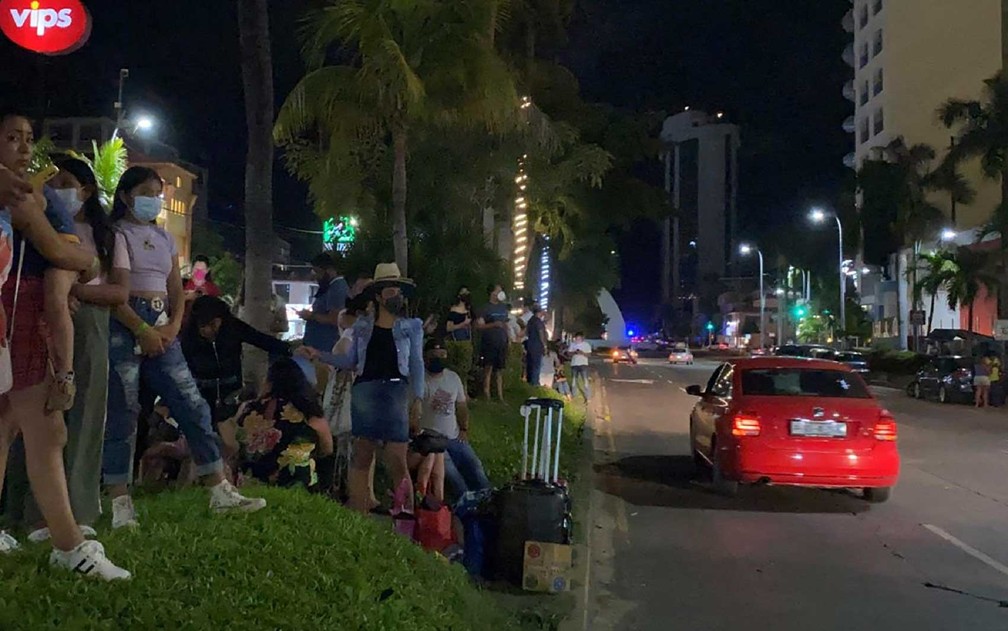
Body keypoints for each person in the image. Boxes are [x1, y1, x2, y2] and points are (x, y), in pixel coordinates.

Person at [0, 107, 129, 579]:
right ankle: (69, 545)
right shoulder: (21, 195)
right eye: (12, 137)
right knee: (38, 431)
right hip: (9, 317)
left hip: (21, 318)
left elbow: (82, 259)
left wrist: (42, 229)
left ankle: (68, 543)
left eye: (28, 137)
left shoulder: (40, 196)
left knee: (40, 429)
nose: (24, 147)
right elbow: (64, 254)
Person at [103, 166, 266, 531]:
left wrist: (174, 324)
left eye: (158, 193)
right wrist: (141, 328)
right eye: (147, 192)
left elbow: (175, 284)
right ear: (126, 196)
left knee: (191, 403)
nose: (155, 200)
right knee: (123, 411)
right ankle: (119, 500)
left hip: (163, 323)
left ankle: (218, 487)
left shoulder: (163, 238)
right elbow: (115, 293)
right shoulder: (115, 234)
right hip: (127, 322)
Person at [310, 263, 424, 513]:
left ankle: (405, 518)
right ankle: (358, 512)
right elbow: (350, 362)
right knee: (362, 455)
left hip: (395, 391)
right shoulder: (362, 327)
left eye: (398, 290)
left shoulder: (412, 326)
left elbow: (417, 363)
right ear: (379, 294)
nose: (396, 295)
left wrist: (418, 399)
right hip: (365, 391)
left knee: (396, 457)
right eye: (391, 289)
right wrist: (319, 355)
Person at [219, 357, 335, 489]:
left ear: (269, 382)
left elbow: (233, 441)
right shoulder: (310, 412)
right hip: (297, 484)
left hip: (251, 482)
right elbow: (327, 449)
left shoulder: (247, 409)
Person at [181, 295, 293, 424]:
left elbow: (259, 339)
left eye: (213, 324)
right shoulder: (188, 336)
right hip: (202, 393)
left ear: (221, 319)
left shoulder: (232, 326)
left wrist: (289, 350)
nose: (208, 330)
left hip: (232, 391)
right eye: (203, 326)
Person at [416, 343, 489, 502]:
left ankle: (487, 500)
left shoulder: (453, 378)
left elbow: (461, 406)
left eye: (442, 355)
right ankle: (466, 505)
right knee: (453, 477)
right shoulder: (419, 381)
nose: (439, 359)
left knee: (475, 466)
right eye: (434, 355)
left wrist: (464, 428)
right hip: (433, 440)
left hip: (455, 436)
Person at [298, 252, 349, 353]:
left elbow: (335, 319)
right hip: (319, 348)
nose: (315, 276)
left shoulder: (337, 288)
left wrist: (311, 316)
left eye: (318, 272)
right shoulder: (331, 287)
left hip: (325, 349)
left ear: (329, 270)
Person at [475, 284, 510, 401]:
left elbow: (506, 325)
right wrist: (493, 325)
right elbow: (479, 326)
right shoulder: (485, 308)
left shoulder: (503, 308)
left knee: (499, 370)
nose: (501, 293)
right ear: (492, 293)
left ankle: (500, 396)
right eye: (498, 290)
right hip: (489, 342)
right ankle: (487, 395)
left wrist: (508, 338)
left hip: (501, 342)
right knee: (488, 368)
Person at [525, 305, 548, 387]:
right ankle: (535, 383)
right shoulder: (538, 322)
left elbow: (526, 332)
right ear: (540, 312)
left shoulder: (530, 321)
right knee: (537, 365)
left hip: (530, 345)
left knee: (530, 364)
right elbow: (541, 333)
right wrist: (544, 345)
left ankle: (529, 382)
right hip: (537, 346)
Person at [569, 331, 592, 403]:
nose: (577, 340)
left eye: (579, 339)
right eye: (576, 338)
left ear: (582, 338)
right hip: (574, 364)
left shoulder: (586, 345)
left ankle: (588, 398)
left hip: (583, 364)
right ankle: (573, 396)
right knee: (573, 381)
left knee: (585, 381)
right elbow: (569, 353)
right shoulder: (572, 344)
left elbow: (589, 355)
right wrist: (574, 352)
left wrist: (582, 353)